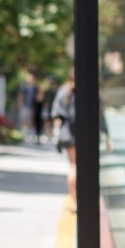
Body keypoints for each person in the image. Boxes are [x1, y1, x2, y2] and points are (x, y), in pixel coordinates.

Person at [52, 70, 78, 208]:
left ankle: (75, 200)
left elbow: (55, 113)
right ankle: (78, 200)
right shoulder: (85, 89)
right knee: (78, 166)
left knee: (73, 165)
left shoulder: (63, 91)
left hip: (67, 134)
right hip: (80, 133)